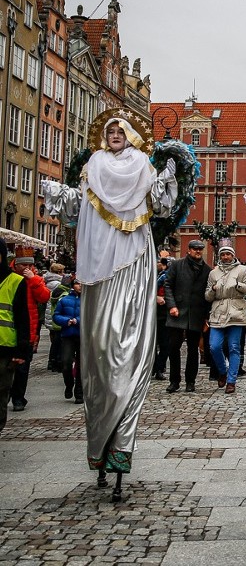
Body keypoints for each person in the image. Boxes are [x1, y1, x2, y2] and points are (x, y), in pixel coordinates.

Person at [43, 111, 177, 476]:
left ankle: (122, 441)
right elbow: (76, 209)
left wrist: (166, 177)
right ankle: (100, 438)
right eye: (110, 130)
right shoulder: (93, 165)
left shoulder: (143, 167)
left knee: (129, 344)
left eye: (121, 130)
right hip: (98, 266)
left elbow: (163, 205)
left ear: (131, 135)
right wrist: (62, 195)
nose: (115, 134)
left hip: (132, 262)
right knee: (99, 350)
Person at [204, 242, 246, 394]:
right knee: (214, 346)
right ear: (219, 256)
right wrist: (213, 290)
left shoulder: (243, 270)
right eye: (223, 254)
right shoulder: (213, 273)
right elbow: (207, 296)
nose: (225, 257)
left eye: (228, 254)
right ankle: (222, 370)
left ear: (233, 256)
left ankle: (231, 381)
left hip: (236, 313)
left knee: (234, 347)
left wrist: (238, 285)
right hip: (218, 312)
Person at [163, 239, 211, 393]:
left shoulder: (207, 270)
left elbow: (207, 294)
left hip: (196, 313)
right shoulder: (177, 265)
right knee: (173, 347)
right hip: (177, 312)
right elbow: (168, 285)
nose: (198, 252)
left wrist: (206, 317)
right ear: (189, 250)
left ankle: (190, 381)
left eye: (200, 249)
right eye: (195, 249)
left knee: (193, 349)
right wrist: (172, 305)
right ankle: (174, 381)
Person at [8, 250, 51, 412]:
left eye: (30, 265)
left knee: (22, 368)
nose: (28, 268)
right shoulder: (10, 278)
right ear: (16, 265)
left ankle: (18, 398)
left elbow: (44, 297)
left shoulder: (35, 279)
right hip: (7, 328)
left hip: (29, 330)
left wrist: (33, 281)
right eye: (24, 265)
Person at [0, 239, 30, 434]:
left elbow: (22, 318)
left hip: (5, 347)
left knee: (2, 391)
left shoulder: (15, 281)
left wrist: (22, 350)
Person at [53, 278, 84, 403]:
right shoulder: (65, 300)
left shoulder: (88, 300)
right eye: (77, 283)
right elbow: (56, 315)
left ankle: (79, 392)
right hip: (68, 335)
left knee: (82, 365)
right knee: (66, 363)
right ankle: (69, 384)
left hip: (83, 336)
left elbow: (92, 315)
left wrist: (78, 320)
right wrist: (66, 321)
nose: (80, 285)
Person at [42, 262, 65, 372]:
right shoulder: (58, 284)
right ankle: (55, 361)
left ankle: (51, 361)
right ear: (59, 272)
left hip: (48, 311)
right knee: (58, 340)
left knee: (54, 338)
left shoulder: (47, 281)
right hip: (55, 312)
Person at [152, 257, 172, 380]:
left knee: (164, 344)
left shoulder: (164, 276)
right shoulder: (163, 276)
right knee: (163, 344)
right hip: (159, 313)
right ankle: (158, 368)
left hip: (164, 313)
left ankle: (158, 367)